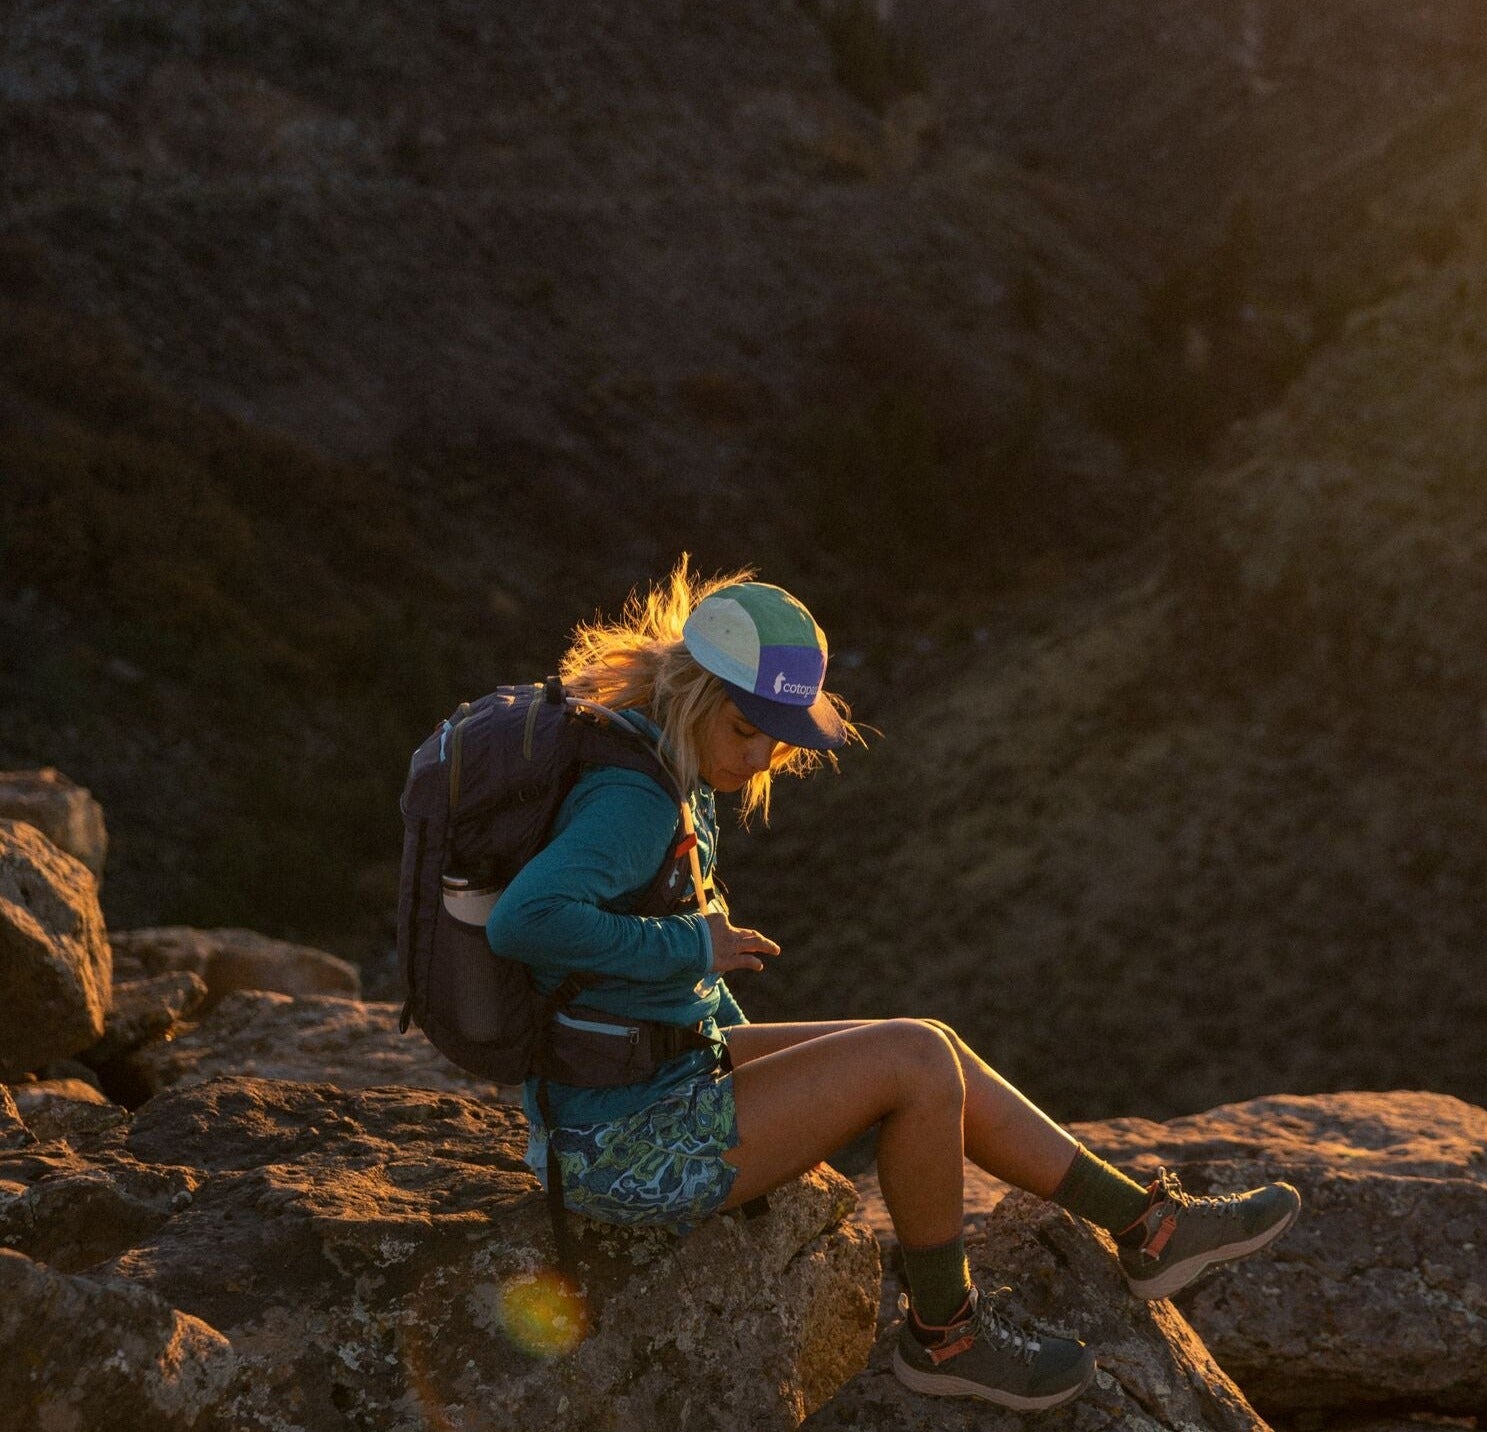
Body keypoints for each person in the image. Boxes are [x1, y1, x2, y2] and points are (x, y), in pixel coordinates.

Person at [484, 560, 1300, 1413]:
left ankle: (1149, 1227)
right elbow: (524, 923)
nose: (758, 758)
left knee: (930, 1042)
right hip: (620, 1147)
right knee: (912, 1060)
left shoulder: (665, 758)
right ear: (693, 691)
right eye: (745, 730)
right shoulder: (636, 799)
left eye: (776, 740)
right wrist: (693, 945)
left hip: (654, 1078)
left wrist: (766, 1074)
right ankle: (947, 1337)